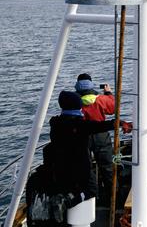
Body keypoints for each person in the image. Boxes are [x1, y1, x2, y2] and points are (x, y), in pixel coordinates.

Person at [27, 91, 132, 226]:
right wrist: (120, 123)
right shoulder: (79, 124)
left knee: (72, 188)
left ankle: (66, 201)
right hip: (79, 170)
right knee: (92, 188)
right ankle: (69, 201)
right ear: (78, 106)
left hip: (59, 170)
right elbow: (98, 125)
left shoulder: (56, 124)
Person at [74, 73, 115, 203]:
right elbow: (112, 108)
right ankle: (112, 197)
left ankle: (91, 198)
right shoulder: (100, 99)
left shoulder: (75, 101)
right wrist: (108, 93)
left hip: (82, 137)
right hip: (101, 135)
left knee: (85, 168)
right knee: (107, 167)